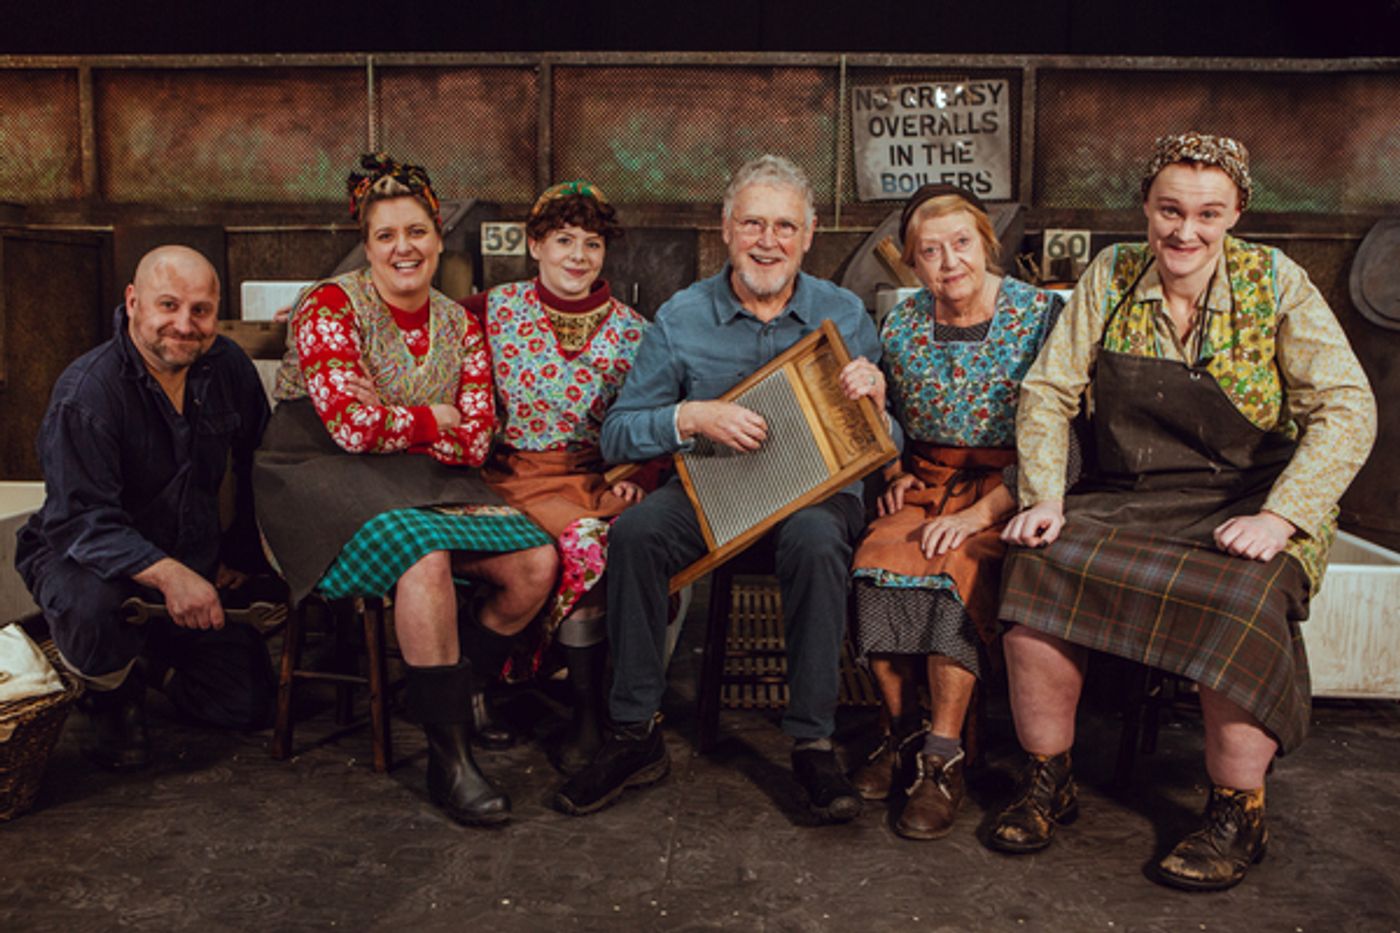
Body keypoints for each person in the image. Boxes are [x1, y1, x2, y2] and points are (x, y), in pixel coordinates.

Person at [990, 133, 1376, 890]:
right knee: (1036, 561)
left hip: (1249, 497)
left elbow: (1348, 407)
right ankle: (1048, 780)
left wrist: (1283, 517)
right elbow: (1047, 390)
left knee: (1242, 593)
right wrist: (1044, 496)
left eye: (1208, 213)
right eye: (1170, 210)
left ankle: (1237, 812)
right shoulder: (1114, 273)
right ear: (1146, 207)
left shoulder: (1276, 282)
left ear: (1235, 215)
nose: (1185, 231)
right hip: (1136, 492)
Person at [554, 154, 888, 823]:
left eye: (785, 226)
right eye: (754, 223)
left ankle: (813, 743)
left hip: (813, 499)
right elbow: (618, 436)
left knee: (819, 536)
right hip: (716, 491)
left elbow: (888, 444)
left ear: (811, 232)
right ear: (727, 229)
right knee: (639, 533)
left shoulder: (845, 314)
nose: (769, 241)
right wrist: (690, 417)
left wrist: (876, 403)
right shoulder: (681, 318)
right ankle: (634, 733)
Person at [254, 154, 558, 827]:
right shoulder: (330, 305)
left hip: (418, 478)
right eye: (386, 235)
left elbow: (476, 442)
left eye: (416, 231)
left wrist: (400, 421)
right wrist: (433, 417)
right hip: (311, 477)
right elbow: (349, 429)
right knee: (422, 554)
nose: (403, 248)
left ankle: (460, 688)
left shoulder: (459, 324)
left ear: (438, 236)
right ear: (366, 246)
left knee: (537, 562)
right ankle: (449, 757)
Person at [848, 185, 1065, 840]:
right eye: (930, 251)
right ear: (912, 263)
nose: (949, 263)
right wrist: (891, 466)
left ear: (986, 244)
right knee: (874, 565)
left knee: (951, 573)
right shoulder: (903, 324)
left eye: (961, 244)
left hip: (1010, 489)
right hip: (930, 481)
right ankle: (902, 731)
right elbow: (891, 425)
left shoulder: (1040, 316)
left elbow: (1066, 436)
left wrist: (980, 516)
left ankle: (943, 758)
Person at [16, 245, 277, 770]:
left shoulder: (227, 368)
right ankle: (107, 687)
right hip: (87, 561)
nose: (185, 324)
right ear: (133, 302)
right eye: (168, 306)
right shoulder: (87, 394)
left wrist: (241, 553)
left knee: (249, 704)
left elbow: (260, 463)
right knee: (92, 612)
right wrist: (169, 576)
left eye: (200, 310)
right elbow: (80, 520)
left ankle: (151, 662)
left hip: (191, 557)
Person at [466, 180, 650, 773]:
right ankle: (473, 686)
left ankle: (588, 712)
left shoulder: (634, 331)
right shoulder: (489, 310)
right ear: (535, 244)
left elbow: (656, 411)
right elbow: (420, 333)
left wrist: (641, 473)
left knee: (603, 541)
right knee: (554, 551)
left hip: (589, 479)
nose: (578, 255)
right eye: (564, 240)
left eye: (592, 244)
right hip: (506, 478)